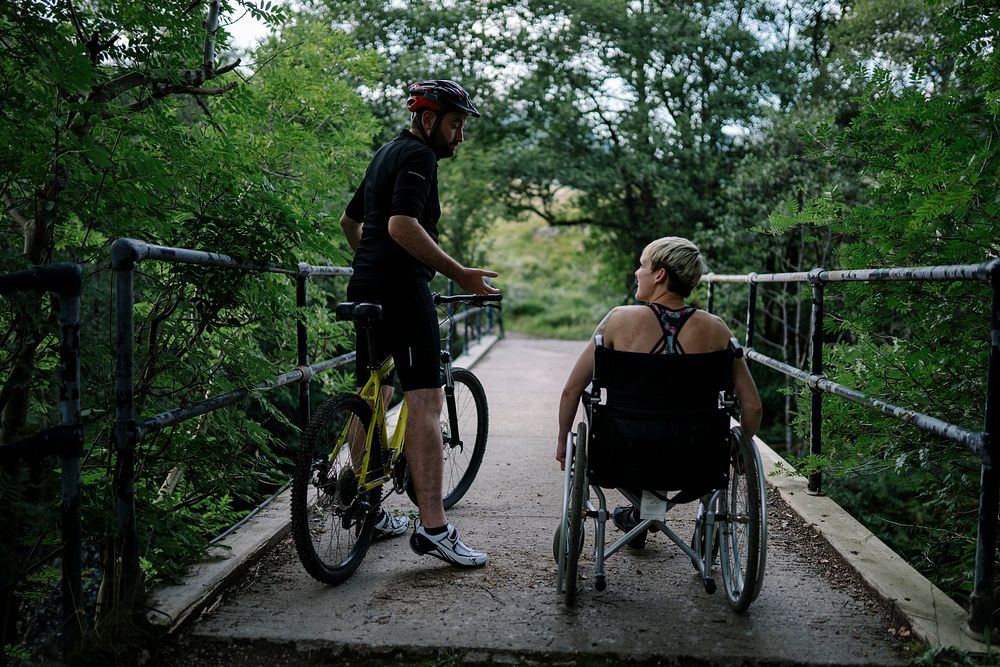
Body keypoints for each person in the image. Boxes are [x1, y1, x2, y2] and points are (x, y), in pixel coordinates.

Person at [340, 79, 500, 567]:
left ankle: (360, 500)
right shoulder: (419, 157)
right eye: (455, 125)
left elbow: (351, 223)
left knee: (373, 392)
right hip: (403, 295)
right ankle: (434, 528)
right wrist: (461, 274)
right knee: (426, 404)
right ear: (428, 120)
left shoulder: (385, 153)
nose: (460, 137)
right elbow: (401, 225)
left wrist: (374, 264)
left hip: (365, 287)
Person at [555, 236, 762, 548]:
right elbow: (753, 407)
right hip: (696, 458)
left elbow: (572, 390)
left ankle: (640, 514)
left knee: (639, 430)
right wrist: (739, 450)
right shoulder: (718, 330)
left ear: (660, 275)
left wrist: (562, 439)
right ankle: (650, 515)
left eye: (643, 265)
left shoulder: (618, 320)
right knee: (673, 433)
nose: (638, 272)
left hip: (619, 453)